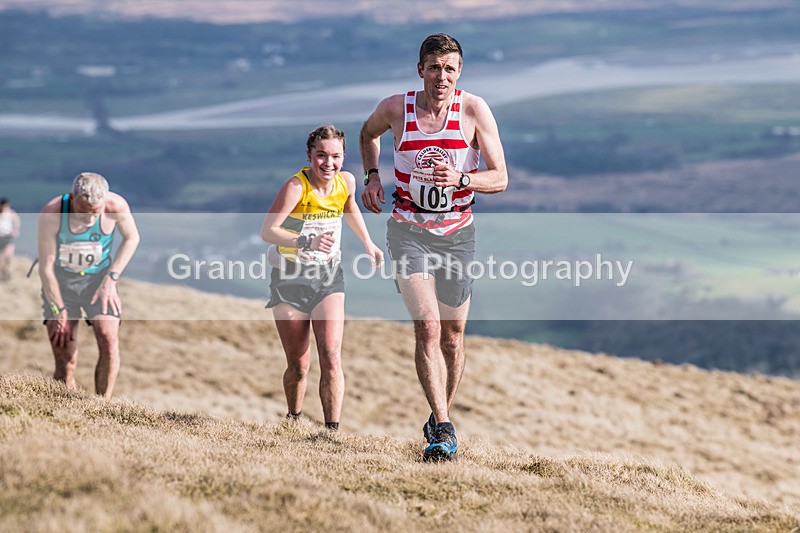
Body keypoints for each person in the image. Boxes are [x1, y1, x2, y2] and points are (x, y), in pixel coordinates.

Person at [360, 34, 508, 461]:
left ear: (459, 73)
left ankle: (439, 413)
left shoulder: (474, 110)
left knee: (453, 337)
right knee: (426, 326)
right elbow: (367, 133)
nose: (441, 76)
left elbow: (500, 178)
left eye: (449, 68)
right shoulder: (395, 109)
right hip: (408, 230)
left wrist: (461, 179)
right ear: (420, 69)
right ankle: (443, 429)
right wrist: (372, 177)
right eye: (433, 67)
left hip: (458, 234)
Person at [261, 123, 383, 431]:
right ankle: (294, 418)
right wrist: (304, 242)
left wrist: (369, 243)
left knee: (330, 356)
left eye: (336, 156)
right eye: (321, 156)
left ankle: (331, 432)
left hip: (328, 276)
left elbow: (349, 207)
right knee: (299, 365)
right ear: (309, 156)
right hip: (289, 278)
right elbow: (268, 231)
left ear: (344, 157)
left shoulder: (347, 182)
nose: (328, 164)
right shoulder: (296, 187)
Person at [38, 172, 140, 399]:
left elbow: (132, 238)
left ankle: (101, 406)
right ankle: (64, 406)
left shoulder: (116, 205)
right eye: (84, 214)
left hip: (99, 281)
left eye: (96, 214)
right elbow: (45, 268)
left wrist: (111, 279)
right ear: (73, 200)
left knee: (109, 340)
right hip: (61, 283)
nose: (90, 221)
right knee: (66, 356)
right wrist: (58, 309)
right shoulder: (53, 212)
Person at [0, 197, 21, 282]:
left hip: (8, 237)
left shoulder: (11, 214)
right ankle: (2, 275)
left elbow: (16, 221)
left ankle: (6, 273)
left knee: (8, 257)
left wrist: (15, 230)